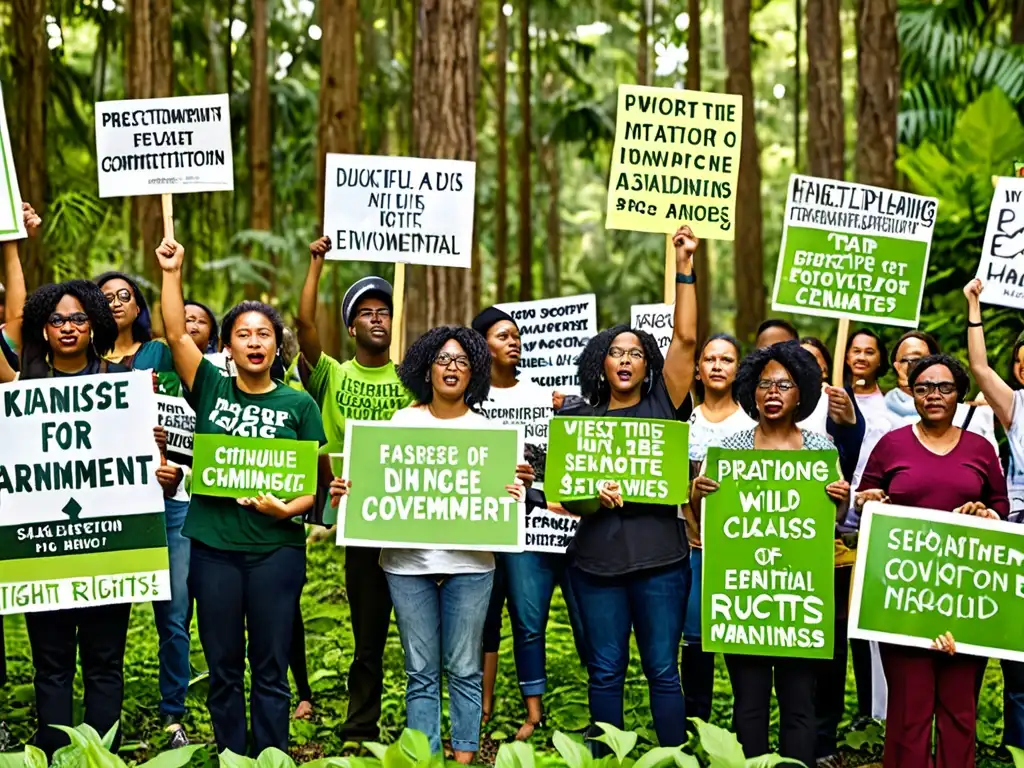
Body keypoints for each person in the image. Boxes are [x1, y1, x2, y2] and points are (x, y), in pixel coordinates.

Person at [156, 237, 326, 755]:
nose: (254, 343)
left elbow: (314, 489)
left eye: (264, 335)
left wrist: (285, 509)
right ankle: (232, 755)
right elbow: (173, 332)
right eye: (243, 335)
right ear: (226, 346)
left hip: (276, 553)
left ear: (278, 345)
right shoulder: (210, 386)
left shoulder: (298, 404)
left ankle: (271, 756)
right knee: (225, 665)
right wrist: (172, 271)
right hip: (213, 551)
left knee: (271, 666)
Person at [330, 326, 528, 763]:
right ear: (426, 368)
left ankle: (463, 756)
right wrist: (349, 493)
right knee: (420, 671)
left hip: (472, 566)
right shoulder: (401, 423)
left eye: (461, 361)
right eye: (443, 359)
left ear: (474, 371)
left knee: (465, 668)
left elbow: (504, 502)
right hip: (406, 566)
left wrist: (516, 494)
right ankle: (424, 756)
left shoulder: (490, 432)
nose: (451, 368)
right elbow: (374, 483)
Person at [17, 279, 179, 757]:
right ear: (43, 330)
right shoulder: (24, 393)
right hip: (43, 548)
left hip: (110, 545)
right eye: (58, 320)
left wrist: (162, 470)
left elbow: (149, 467)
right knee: (51, 662)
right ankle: (51, 752)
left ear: (95, 326)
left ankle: (100, 752)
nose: (68, 328)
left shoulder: (125, 385)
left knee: (105, 660)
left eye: (79, 319)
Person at [558, 226, 697, 750]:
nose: (624, 358)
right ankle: (605, 759)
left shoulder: (666, 403)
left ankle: (671, 757)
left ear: (647, 365)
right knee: (605, 672)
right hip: (596, 566)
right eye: (615, 351)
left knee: (663, 671)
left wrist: (684, 264)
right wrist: (596, 496)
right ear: (601, 361)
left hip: (661, 563)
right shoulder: (579, 418)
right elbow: (569, 498)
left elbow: (686, 338)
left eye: (635, 352)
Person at [690, 341, 849, 767]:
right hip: (746, 603)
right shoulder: (729, 449)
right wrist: (697, 493)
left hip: (799, 603)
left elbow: (835, 516)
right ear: (751, 391)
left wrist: (841, 499)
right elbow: (702, 515)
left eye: (784, 384)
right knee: (750, 706)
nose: (773, 392)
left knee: (800, 705)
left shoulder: (820, 450)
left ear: (801, 394)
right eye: (764, 384)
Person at [855, 353, 1008, 768]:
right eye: (923, 388)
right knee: (908, 714)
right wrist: (867, 500)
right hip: (903, 600)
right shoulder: (891, 445)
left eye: (944, 387)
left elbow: (1001, 508)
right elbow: (863, 502)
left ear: (959, 395)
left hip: (965, 599)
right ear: (911, 393)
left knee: (960, 712)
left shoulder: (979, 448)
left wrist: (987, 513)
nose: (933, 395)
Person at [296, 235, 412, 736]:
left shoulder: (413, 378)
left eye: (384, 310)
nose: (377, 318)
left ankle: (423, 723)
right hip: (359, 521)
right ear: (351, 326)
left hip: (409, 520)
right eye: (366, 312)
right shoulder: (332, 375)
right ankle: (361, 723)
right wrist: (316, 266)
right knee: (368, 633)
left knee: (419, 634)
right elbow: (303, 328)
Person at [472, 306, 587, 741]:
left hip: (545, 519)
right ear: (483, 345)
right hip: (493, 521)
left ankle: (573, 703)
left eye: (516, 335)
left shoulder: (544, 395)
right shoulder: (472, 400)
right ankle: (520, 709)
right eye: (502, 336)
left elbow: (565, 455)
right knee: (510, 616)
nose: (513, 341)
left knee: (548, 614)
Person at [95, 269, 190, 746]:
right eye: (105, 296)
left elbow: (179, 417)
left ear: (138, 307)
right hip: (111, 507)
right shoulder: (83, 361)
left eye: (124, 295)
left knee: (173, 613)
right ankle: (102, 719)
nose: (114, 302)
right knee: (106, 616)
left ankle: (174, 715)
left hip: (165, 499)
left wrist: (168, 454)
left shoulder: (159, 353)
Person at [963, 277, 1024, 751]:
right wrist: (974, 307)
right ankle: (1018, 746)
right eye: (1023, 362)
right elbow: (980, 369)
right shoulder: (1017, 407)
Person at [682, 333, 753, 726]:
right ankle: (696, 726)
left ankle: (745, 729)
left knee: (739, 637)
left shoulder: (751, 427)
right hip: (689, 547)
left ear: (736, 369)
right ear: (698, 369)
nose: (717, 366)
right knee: (694, 641)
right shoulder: (682, 423)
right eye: (709, 359)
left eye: (726, 359)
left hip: (736, 552)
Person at [885, 330, 997, 449]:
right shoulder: (878, 412)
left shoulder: (969, 416)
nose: (912, 366)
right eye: (906, 360)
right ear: (896, 366)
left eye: (919, 360)